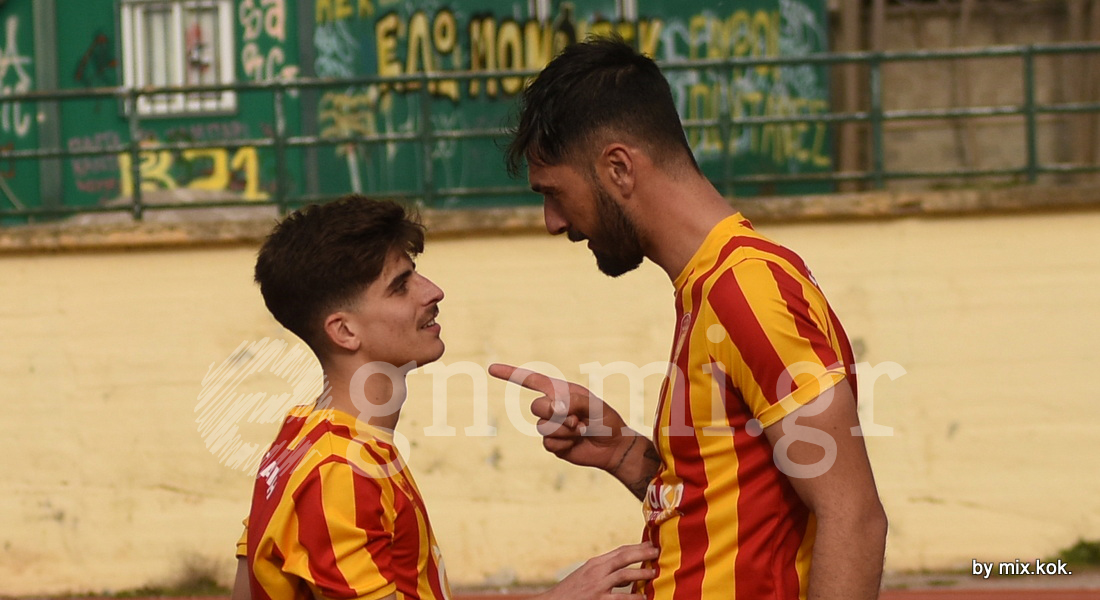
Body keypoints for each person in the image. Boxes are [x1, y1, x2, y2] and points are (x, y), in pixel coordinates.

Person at [490, 38, 888, 600]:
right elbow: (723, 508)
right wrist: (622, 452)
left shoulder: (746, 289)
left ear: (618, 168)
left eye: (554, 192)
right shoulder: (709, 288)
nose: (552, 221)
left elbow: (854, 516)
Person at [232, 194, 658, 600]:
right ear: (344, 331)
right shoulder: (339, 471)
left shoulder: (301, 438)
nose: (433, 291)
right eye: (401, 286)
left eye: (415, 272)